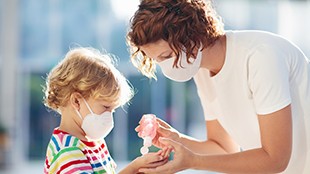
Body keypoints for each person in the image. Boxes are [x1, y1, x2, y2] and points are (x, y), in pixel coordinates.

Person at [126, 0, 310, 173]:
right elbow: (224, 149)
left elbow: (276, 159)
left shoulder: (260, 57)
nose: (164, 67)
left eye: (165, 56)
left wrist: (194, 161)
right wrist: (177, 140)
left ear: (192, 35)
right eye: (157, 60)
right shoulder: (201, 70)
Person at [43, 47, 171, 174]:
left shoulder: (94, 141)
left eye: (113, 110)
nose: (109, 117)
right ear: (76, 101)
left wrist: (142, 169)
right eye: (105, 107)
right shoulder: (67, 149)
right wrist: (135, 167)